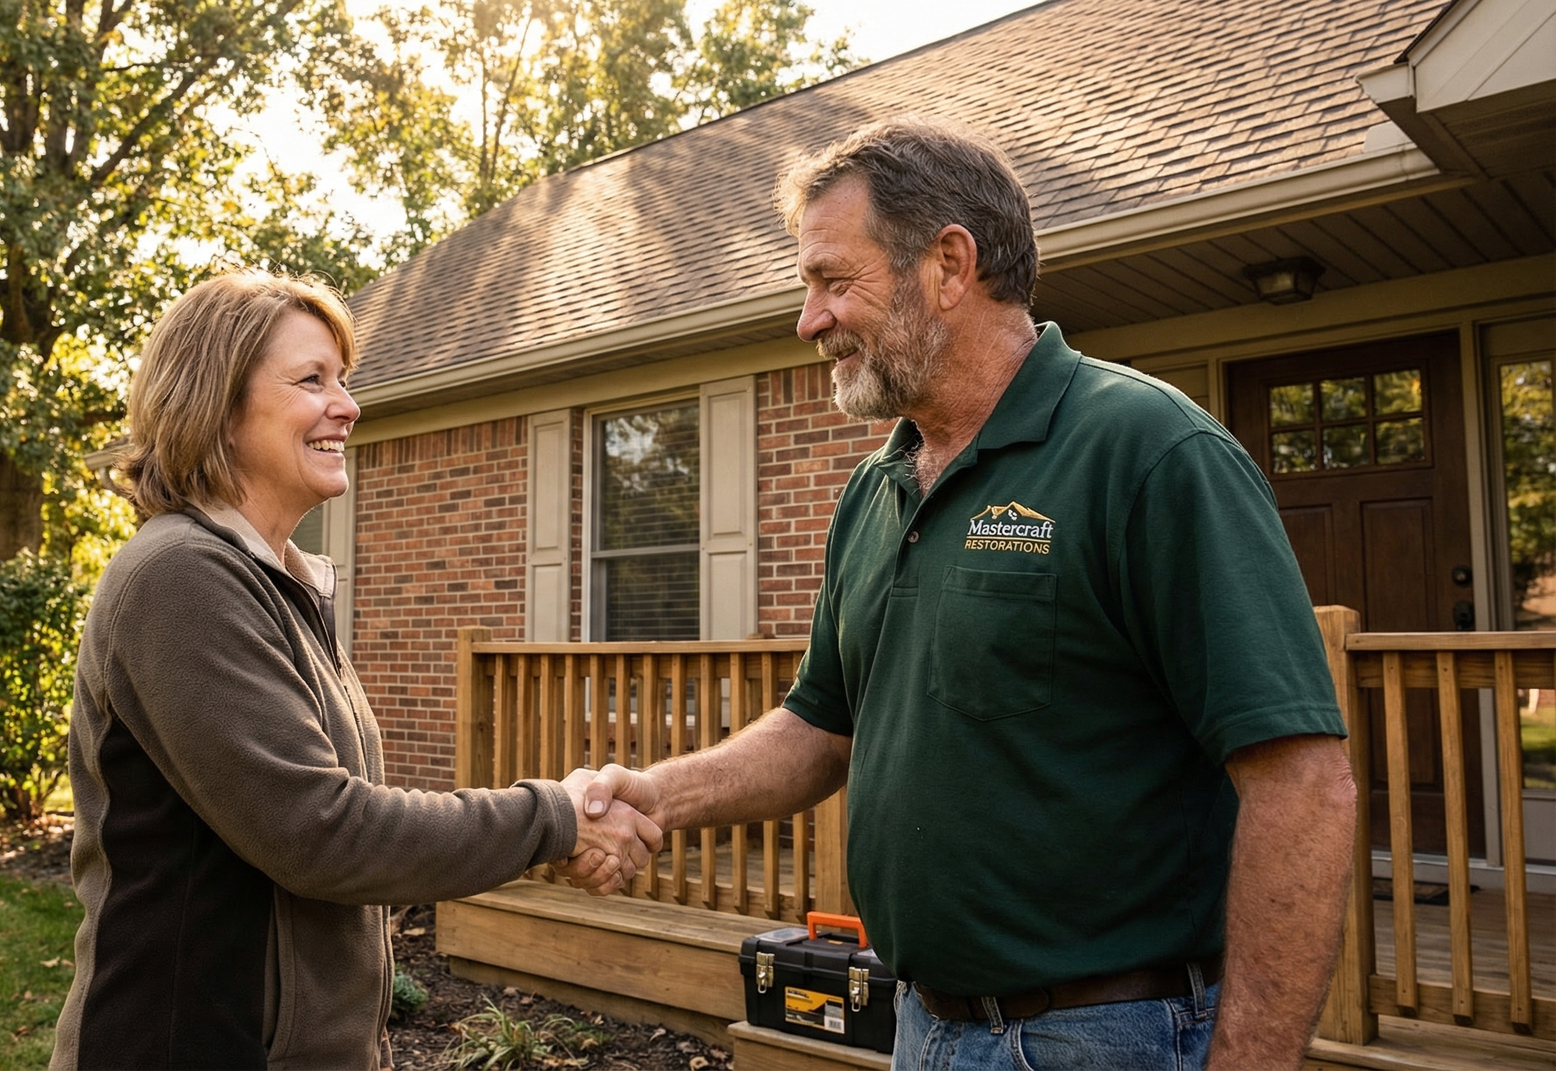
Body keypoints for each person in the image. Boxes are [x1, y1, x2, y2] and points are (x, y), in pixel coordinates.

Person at [568, 117, 1357, 1070]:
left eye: (832, 280)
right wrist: (654, 794)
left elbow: (1301, 785)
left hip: (1112, 1035)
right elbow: (820, 729)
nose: (808, 319)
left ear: (948, 265)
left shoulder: (1148, 452)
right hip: (925, 1027)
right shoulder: (878, 487)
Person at [50, 271, 661, 1071]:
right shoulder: (180, 578)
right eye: (312, 380)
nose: (349, 404)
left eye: (345, 378)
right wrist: (556, 817)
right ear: (219, 406)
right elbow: (325, 832)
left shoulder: (282, 581)